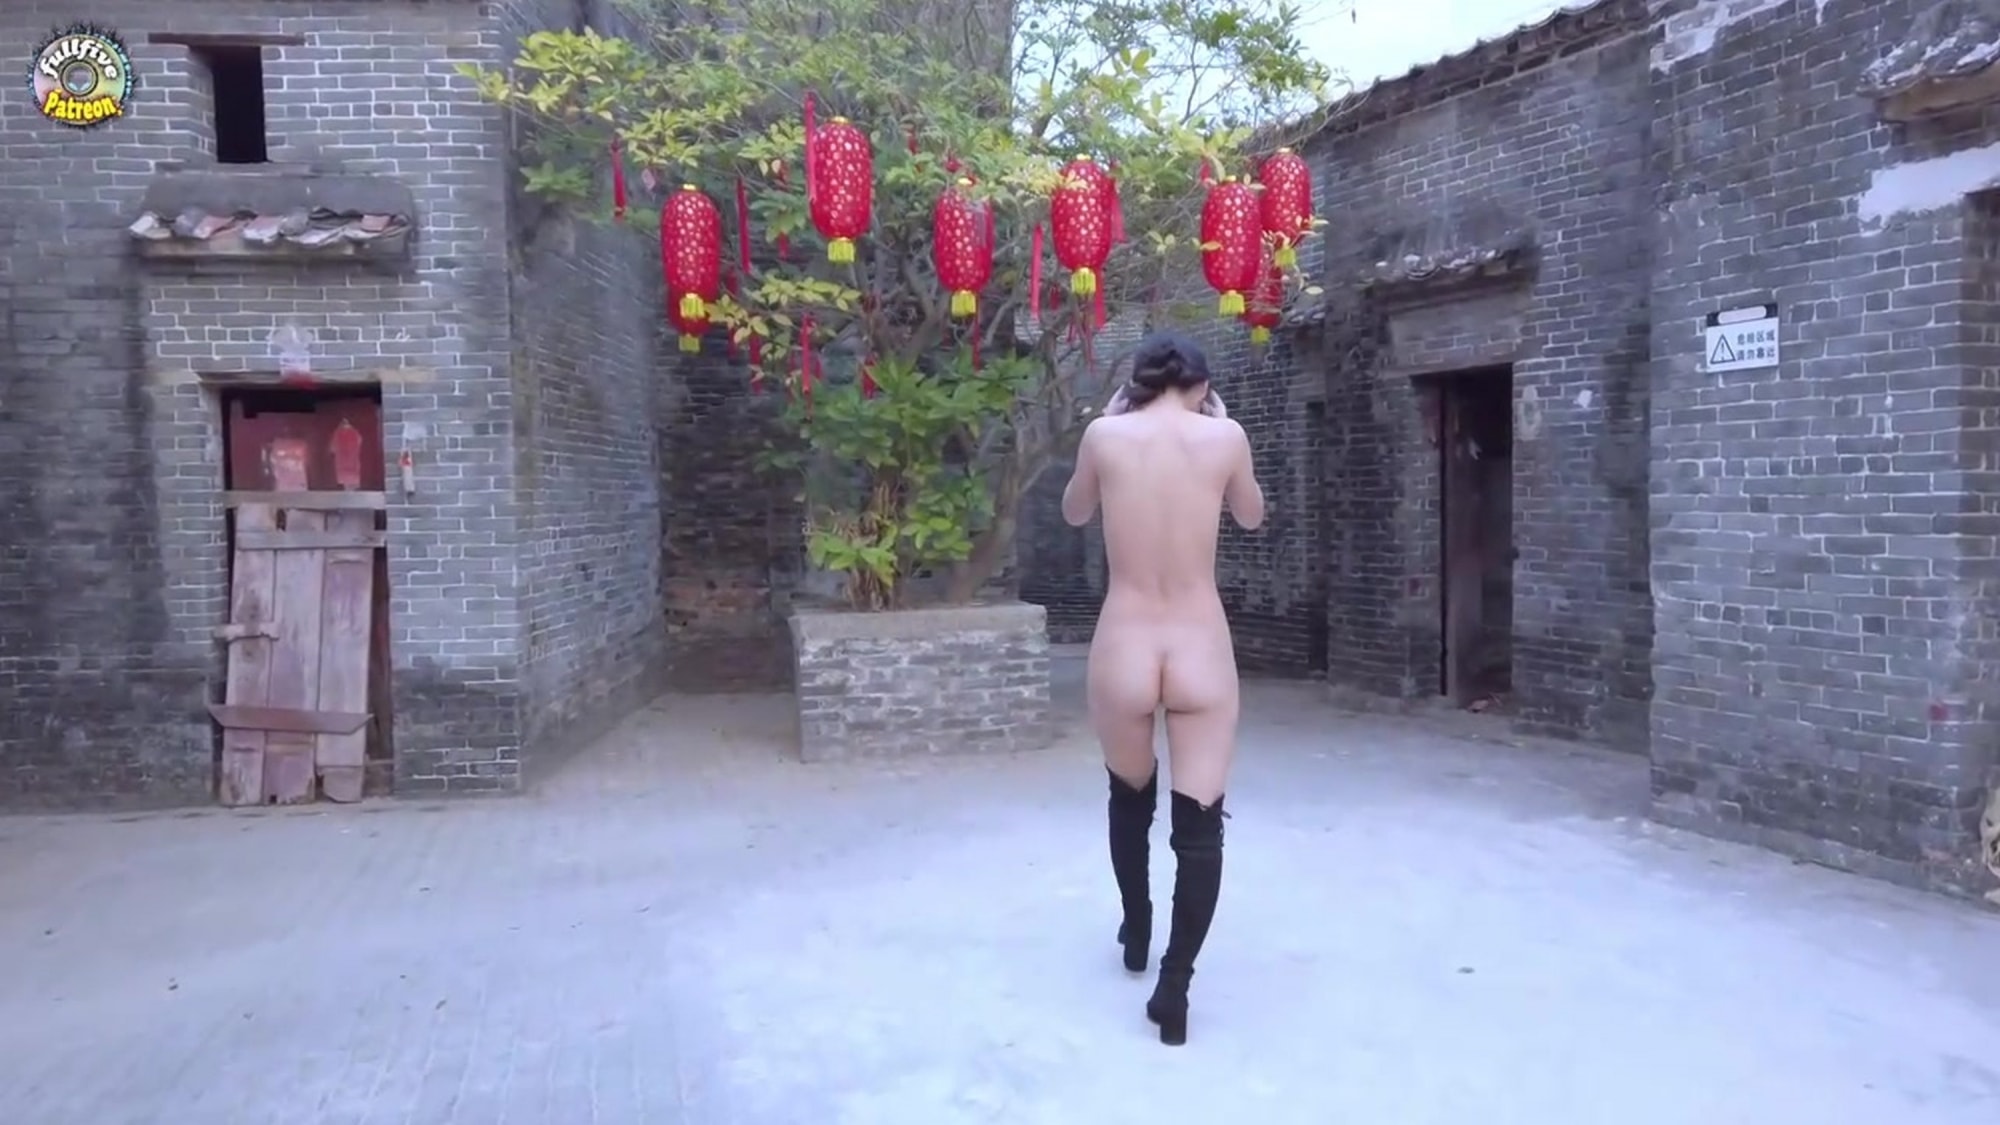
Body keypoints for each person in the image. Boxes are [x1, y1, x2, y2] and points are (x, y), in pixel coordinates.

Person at [1060, 330, 1265, 1046]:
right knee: (1200, 825)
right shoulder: (1225, 437)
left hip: (1125, 642)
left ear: (1136, 383)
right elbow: (1251, 514)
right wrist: (1221, 429)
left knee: (1129, 796)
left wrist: (1108, 421)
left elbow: (1074, 511)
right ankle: (1174, 988)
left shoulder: (1105, 435)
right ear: (1202, 385)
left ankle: (1137, 929)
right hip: (1200, 645)